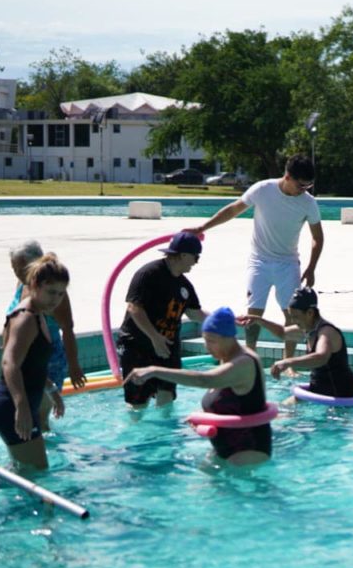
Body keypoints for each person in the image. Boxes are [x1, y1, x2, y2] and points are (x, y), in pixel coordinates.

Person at [186, 154, 324, 360]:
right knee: (253, 314)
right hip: (259, 261)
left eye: (308, 186)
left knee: (292, 314)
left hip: (288, 263)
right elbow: (234, 209)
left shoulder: (308, 203)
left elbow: (318, 238)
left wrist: (312, 267)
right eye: (301, 185)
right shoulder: (263, 190)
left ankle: (289, 363)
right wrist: (202, 227)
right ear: (287, 176)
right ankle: (250, 358)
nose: (304, 190)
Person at [125, 307, 271, 467]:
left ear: (228, 338)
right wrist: (204, 419)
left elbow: (205, 380)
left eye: (211, 341)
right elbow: (232, 405)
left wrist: (155, 371)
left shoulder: (244, 362)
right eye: (205, 340)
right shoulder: (226, 358)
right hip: (223, 448)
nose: (207, 347)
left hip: (248, 449)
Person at [0, 240, 86, 431]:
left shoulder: (50, 294)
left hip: (47, 357)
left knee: (39, 418)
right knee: (30, 420)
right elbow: (16, 324)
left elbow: (68, 329)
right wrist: (3, 336)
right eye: (13, 268)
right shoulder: (24, 291)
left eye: (18, 267)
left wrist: (74, 365)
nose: (16, 272)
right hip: (25, 358)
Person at [0, 254, 70, 469]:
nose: (55, 300)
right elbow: (10, 363)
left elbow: (32, 365)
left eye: (60, 294)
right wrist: (21, 407)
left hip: (18, 407)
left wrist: (51, 391)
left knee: (25, 471)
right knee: (37, 475)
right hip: (10, 407)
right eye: (51, 292)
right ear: (34, 285)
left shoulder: (38, 314)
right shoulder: (25, 318)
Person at [118, 231, 207, 409]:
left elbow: (195, 314)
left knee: (166, 398)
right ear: (183, 255)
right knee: (138, 404)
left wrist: (227, 320)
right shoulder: (148, 274)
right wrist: (155, 337)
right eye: (195, 258)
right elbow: (134, 308)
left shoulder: (185, 285)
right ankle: (140, 436)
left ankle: (164, 435)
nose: (196, 262)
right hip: (138, 345)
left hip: (167, 348)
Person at [240, 288, 353, 398]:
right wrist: (258, 320)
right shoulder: (308, 328)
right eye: (291, 316)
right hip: (320, 389)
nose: (293, 321)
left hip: (342, 394)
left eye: (296, 317)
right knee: (282, 412)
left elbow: (321, 357)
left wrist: (288, 361)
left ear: (310, 313)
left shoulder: (326, 332)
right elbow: (283, 333)